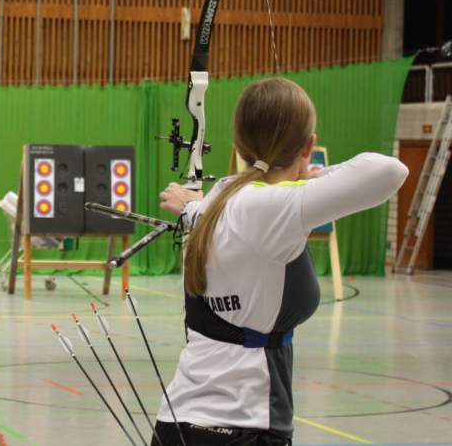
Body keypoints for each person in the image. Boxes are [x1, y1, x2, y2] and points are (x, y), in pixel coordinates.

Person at [153, 78, 407, 446]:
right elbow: (390, 171)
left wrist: (193, 205)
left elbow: (205, 210)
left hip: (175, 421)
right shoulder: (272, 207)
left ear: (239, 144)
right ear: (309, 146)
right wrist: (313, 176)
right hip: (245, 428)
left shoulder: (215, 201)